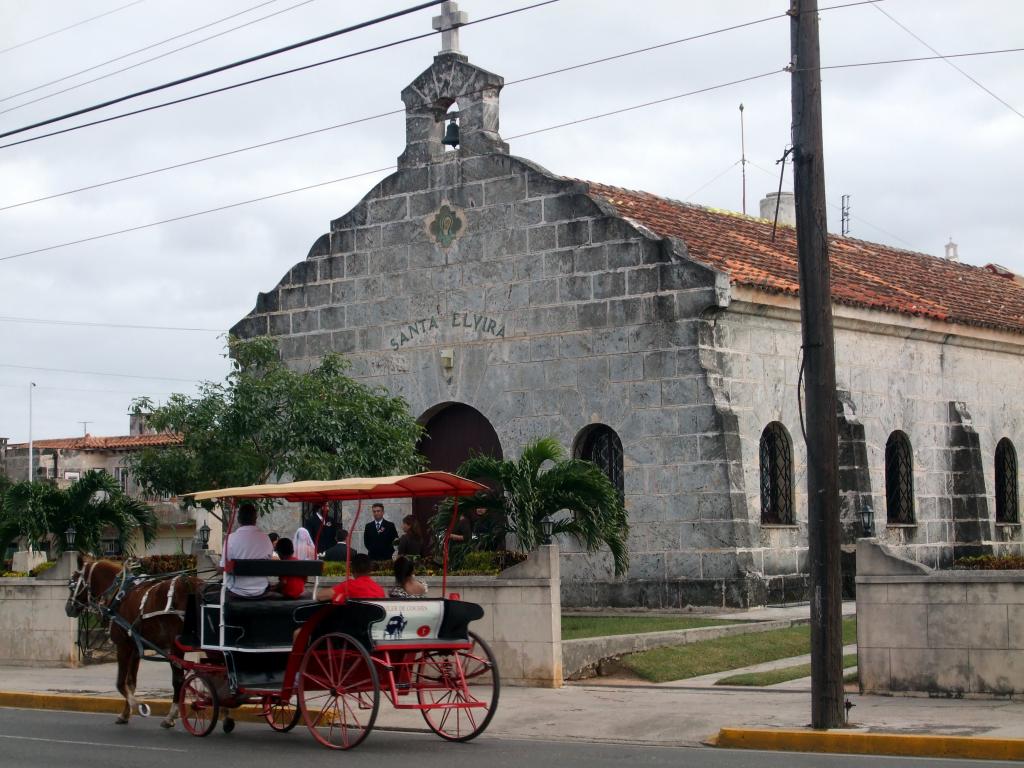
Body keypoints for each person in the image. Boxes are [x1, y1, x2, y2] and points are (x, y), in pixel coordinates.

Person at [220, 502, 275, 600]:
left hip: (236, 589)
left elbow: (224, 566)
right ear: (255, 519)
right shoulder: (266, 538)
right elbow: (268, 560)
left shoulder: (230, 539)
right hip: (260, 589)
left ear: (238, 519)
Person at [317, 553, 384, 603]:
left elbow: (320, 596)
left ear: (352, 568)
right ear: (370, 570)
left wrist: (340, 596)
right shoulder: (379, 589)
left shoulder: (348, 585)